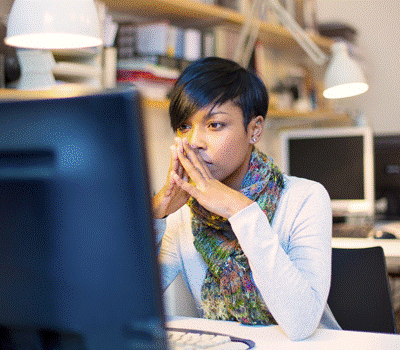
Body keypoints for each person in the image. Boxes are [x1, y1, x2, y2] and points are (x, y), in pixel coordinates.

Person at [152, 57, 341, 341]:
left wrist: (240, 210)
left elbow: (301, 324)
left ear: (254, 130)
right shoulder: (183, 211)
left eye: (214, 125)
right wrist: (154, 214)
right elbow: (122, 304)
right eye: (183, 127)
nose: (194, 141)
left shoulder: (305, 197)